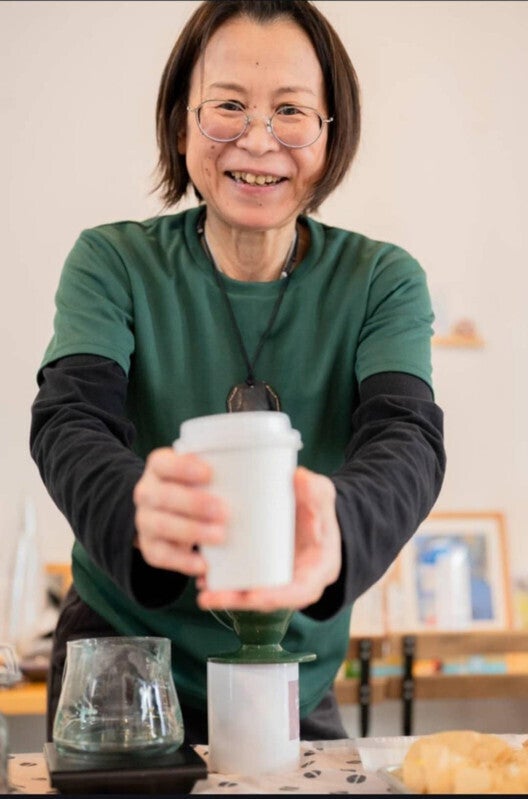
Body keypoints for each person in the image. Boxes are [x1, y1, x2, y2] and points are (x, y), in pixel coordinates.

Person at [30, 0, 446, 744]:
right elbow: (70, 419)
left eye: (291, 111)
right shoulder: (111, 261)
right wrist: (136, 510)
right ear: (181, 123)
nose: (258, 141)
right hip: (123, 657)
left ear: (330, 132)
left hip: (293, 665)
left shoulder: (382, 280)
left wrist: (338, 525)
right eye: (227, 107)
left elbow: (407, 437)